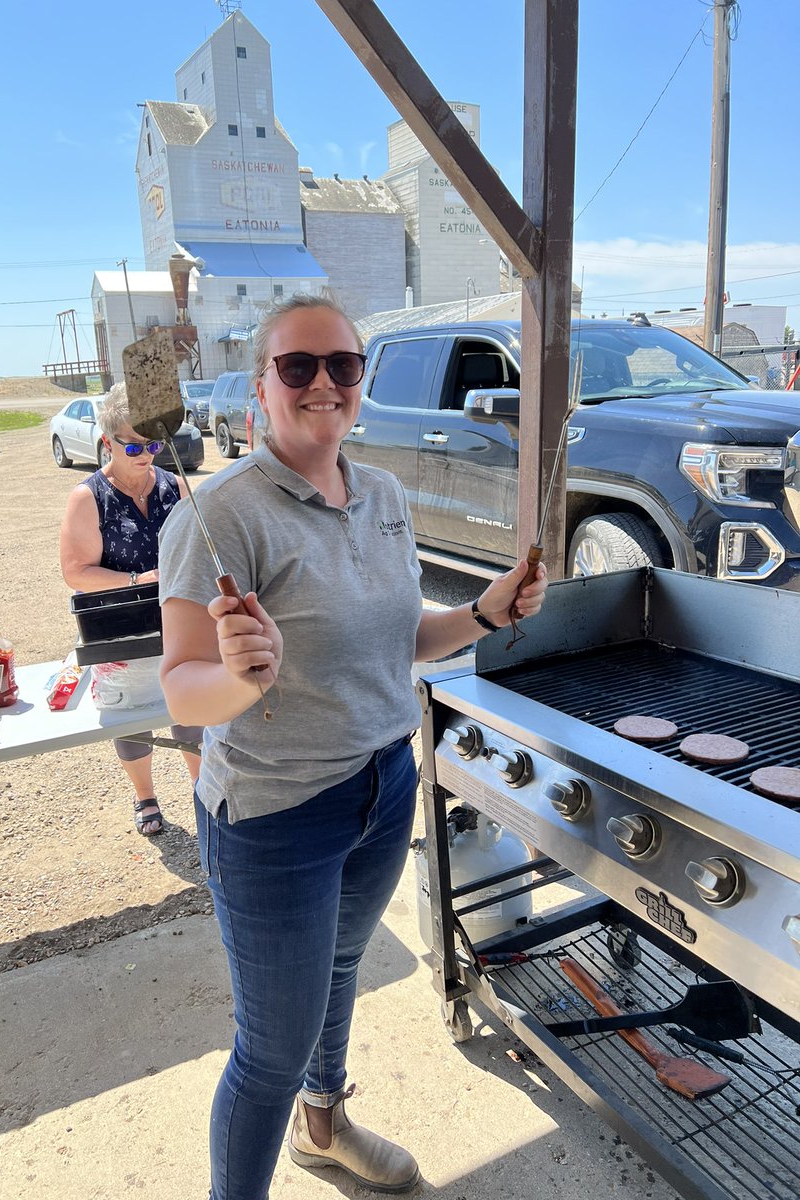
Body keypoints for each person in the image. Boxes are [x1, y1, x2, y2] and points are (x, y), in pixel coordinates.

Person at [157, 294, 548, 1199]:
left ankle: (324, 1127)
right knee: (269, 1051)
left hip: (383, 784)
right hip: (275, 817)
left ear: (362, 383)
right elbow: (183, 687)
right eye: (298, 366)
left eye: (343, 364)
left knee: (341, 969)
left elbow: (399, 637)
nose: (323, 383)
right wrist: (244, 676)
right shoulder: (217, 517)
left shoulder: (382, 493)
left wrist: (486, 611)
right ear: (262, 386)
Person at [60, 384, 202, 835]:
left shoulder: (174, 485)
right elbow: (76, 571)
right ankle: (145, 796)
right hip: (119, 626)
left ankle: (202, 790)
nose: (146, 455)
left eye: (154, 445)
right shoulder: (89, 497)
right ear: (108, 443)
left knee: (189, 709)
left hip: (178, 623)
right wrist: (138, 580)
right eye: (135, 446)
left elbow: (198, 548)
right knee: (133, 715)